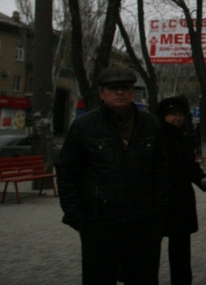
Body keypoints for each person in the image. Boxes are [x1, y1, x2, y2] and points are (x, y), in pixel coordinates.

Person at [57, 66, 168, 285]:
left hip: (143, 226)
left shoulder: (150, 125)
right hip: (99, 226)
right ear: (102, 94)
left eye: (124, 88)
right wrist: (79, 220)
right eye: (113, 88)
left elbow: (162, 173)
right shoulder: (84, 126)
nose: (119, 93)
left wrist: (157, 218)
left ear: (132, 92)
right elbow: (67, 173)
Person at [157, 96, 206, 285]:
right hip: (157, 203)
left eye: (180, 114)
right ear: (163, 116)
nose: (177, 118)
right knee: (150, 249)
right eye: (173, 114)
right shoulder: (154, 137)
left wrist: (202, 179)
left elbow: (190, 166)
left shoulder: (183, 137)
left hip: (181, 203)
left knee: (181, 251)